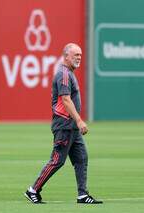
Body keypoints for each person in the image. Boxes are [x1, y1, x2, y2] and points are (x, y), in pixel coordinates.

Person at [24, 43, 103, 204]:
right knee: (57, 160)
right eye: (75, 55)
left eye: (80, 55)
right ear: (66, 56)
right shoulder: (64, 74)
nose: (79, 58)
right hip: (64, 125)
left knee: (81, 158)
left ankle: (82, 195)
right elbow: (66, 100)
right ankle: (33, 190)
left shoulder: (69, 73)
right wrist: (80, 120)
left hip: (71, 127)